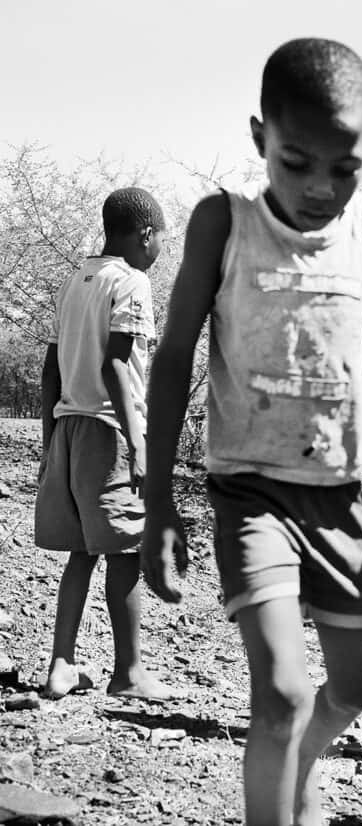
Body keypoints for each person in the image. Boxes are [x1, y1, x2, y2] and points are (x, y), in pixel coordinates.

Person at [140, 39, 362, 826]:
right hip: (251, 491)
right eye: (296, 162)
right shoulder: (225, 224)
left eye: (344, 169)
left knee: (357, 689)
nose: (319, 187)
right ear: (258, 139)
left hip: (341, 499)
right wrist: (159, 498)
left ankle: (304, 762)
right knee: (280, 692)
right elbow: (173, 358)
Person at [35, 187, 170, 701]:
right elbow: (116, 364)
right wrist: (138, 444)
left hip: (69, 427)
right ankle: (128, 673)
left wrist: (51, 439)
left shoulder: (74, 281)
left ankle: (61, 664)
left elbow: (52, 369)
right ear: (144, 235)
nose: (159, 251)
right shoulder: (131, 282)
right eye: (160, 239)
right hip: (110, 429)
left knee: (80, 552)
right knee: (125, 551)